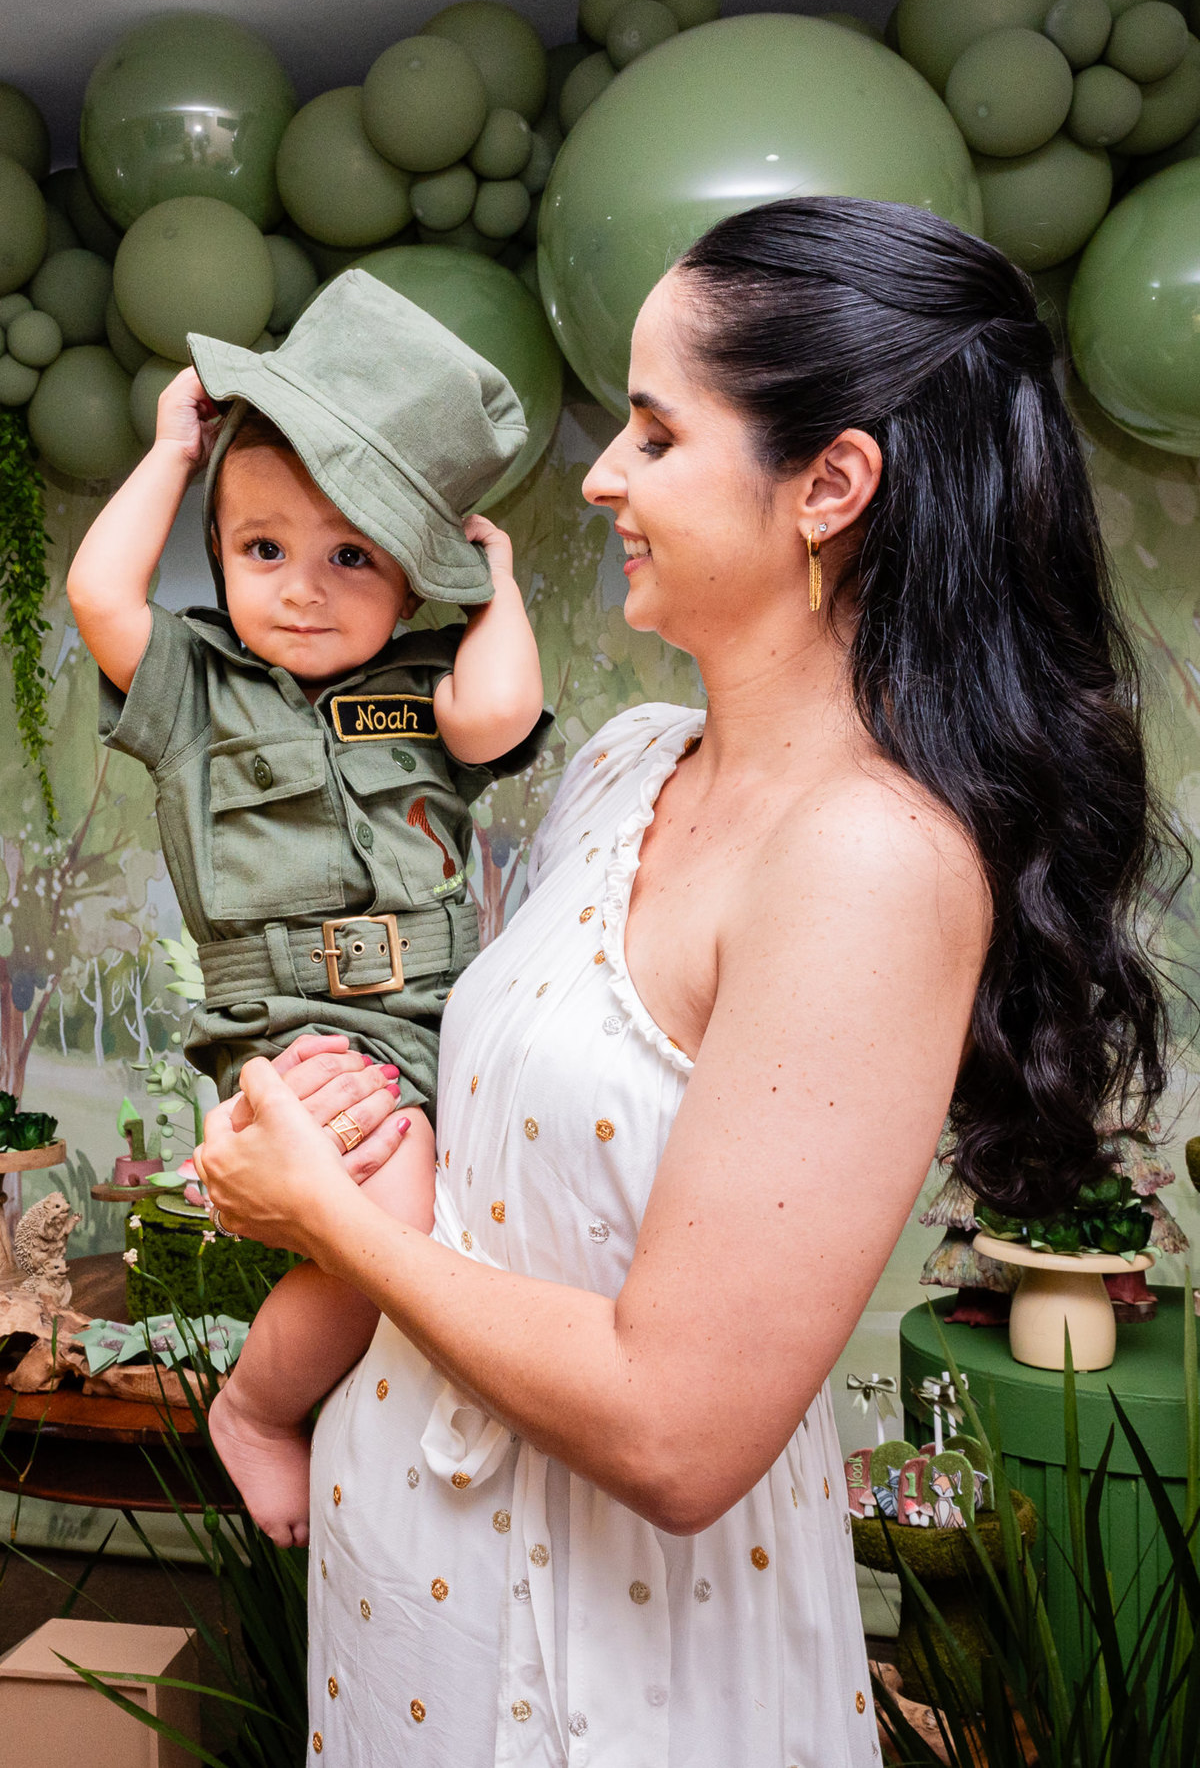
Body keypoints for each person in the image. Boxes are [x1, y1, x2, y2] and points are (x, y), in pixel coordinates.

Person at [194, 198, 1172, 1767]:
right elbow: (501, 1159)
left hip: (606, 1669)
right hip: (413, 1605)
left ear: (829, 484)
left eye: (655, 432)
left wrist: (326, 1216)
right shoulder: (628, 761)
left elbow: (678, 1428)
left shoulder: (869, 860)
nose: (603, 476)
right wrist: (330, 1109)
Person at [66, 271, 549, 1546]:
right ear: (220, 554)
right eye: (262, 549)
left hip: (443, 1017)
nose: (303, 588)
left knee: (475, 1229)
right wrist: (173, 455)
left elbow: (501, 715)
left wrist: (495, 582)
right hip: (290, 1021)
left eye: (352, 556)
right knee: (389, 1226)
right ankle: (257, 1410)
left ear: (415, 578)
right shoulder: (197, 686)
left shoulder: (429, 685)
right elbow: (100, 598)